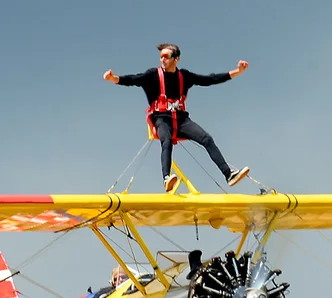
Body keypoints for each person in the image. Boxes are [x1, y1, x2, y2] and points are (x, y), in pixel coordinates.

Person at [103, 43, 251, 192]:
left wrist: (238, 71)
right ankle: (167, 178)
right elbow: (134, 79)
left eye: (166, 56)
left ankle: (229, 174)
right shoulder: (153, 75)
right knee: (165, 140)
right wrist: (114, 78)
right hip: (161, 118)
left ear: (176, 59)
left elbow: (209, 79)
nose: (162, 60)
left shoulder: (184, 76)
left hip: (181, 120)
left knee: (207, 139)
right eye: (161, 57)